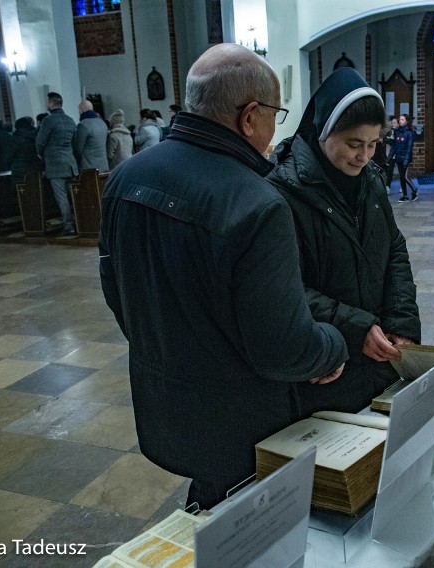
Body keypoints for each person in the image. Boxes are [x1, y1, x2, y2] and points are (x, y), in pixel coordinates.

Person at [99, 43, 348, 511]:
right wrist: (333, 344)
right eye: (276, 113)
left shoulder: (125, 177)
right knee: (249, 525)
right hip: (238, 421)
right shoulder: (256, 203)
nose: (276, 128)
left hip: (162, 400)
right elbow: (283, 348)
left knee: (209, 503)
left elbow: (116, 292)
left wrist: (162, 346)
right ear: (250, 115)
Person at [267, 67, 421, 417]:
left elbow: (393, 249)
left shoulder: (372, 182)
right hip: (326, 366)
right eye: (354, 144)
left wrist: (401, 323)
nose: (364, 156)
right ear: (324, 131)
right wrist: (354, 329)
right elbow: (285, 288)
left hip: (380, 356)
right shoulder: (283, 193)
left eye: (372, 144)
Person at [36, 92, 79, 236]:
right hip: (70, 163)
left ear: (51, 104)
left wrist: (39, 153)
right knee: (73, 196)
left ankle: (68, 226)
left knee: (62, 198)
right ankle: (80, 223)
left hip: (55, 165)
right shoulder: (70, 120)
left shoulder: (48, 121)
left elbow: (40, 141)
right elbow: (75, 141)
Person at [74, 100, 109, 171]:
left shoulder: (83, 125)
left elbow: (78, 149)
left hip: (89, 167)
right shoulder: (103, 124)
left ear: (81, 110)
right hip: (104, 165)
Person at [8, 116, 42, 186]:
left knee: (22, 194)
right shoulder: (37, 135)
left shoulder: (16, 138)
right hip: (36, 169)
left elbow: (10, 155)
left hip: (19, 171)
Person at [392, 113, 417, 202]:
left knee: (405, 176)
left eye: (402, 119)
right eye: (400, 119)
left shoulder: (410, 132)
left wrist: (406, 160)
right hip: (398, 157)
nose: (400, 121)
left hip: (405, 158)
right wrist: (390, 158)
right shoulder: (397, 132)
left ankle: (414, 190)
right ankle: (405, 195)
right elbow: (394, 146)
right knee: (401, 177)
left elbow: (409, 147)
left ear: (406, 121)